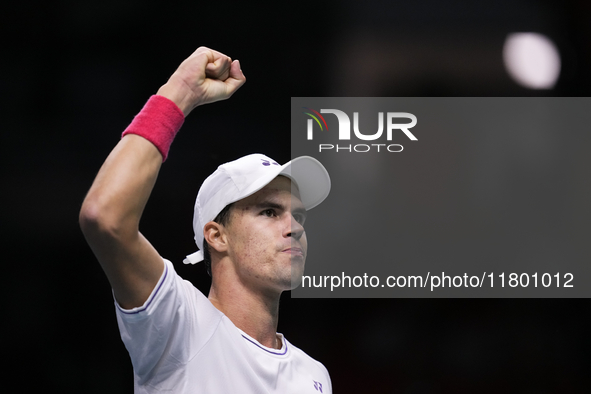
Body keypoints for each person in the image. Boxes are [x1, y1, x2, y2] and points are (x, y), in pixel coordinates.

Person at [79, 46, 333, 393]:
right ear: (216, 235)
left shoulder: (313, 374)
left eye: (298, 215)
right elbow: (104, 217)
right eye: (269, 212)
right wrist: (180, 92)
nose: (296, 227)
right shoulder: (180, 323)